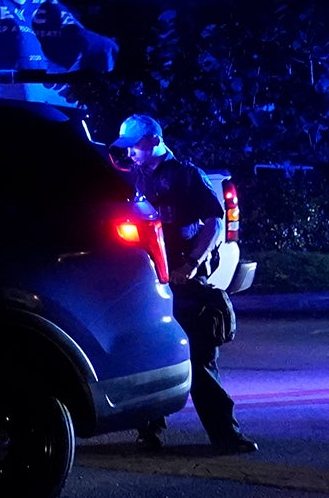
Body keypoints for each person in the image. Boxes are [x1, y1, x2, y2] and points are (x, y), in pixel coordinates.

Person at [109, 114, 257, 454]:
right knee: (152, 356)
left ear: (152, 141)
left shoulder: (186, 176)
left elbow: (214, 223)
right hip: (149, 281)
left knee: (200, 359)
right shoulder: (134, 176)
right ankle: (149, 433)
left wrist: (191, 264)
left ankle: (225, 434)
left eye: (134, 147)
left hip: (184, 280)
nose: (129, 154)